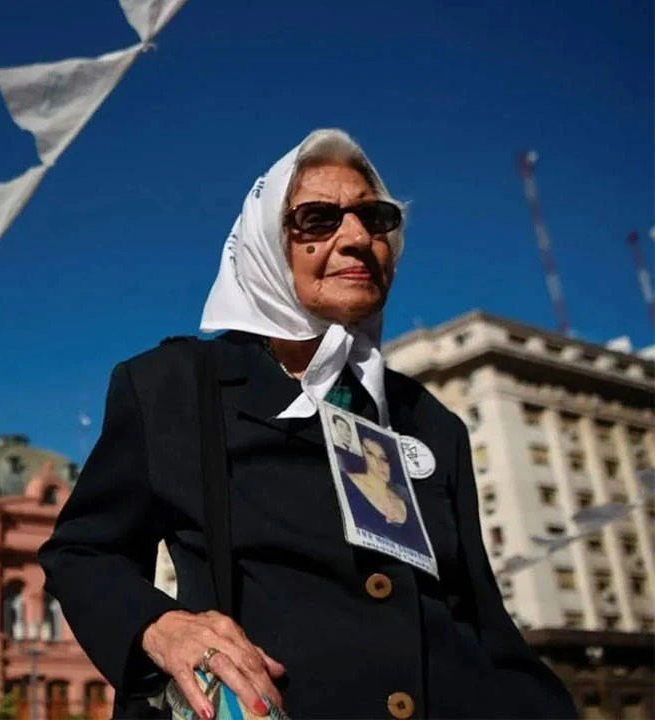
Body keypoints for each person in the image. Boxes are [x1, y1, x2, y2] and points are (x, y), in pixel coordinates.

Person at [39, 129, 576, 719]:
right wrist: (164, 627)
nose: (357, 239)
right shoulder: (174, 387)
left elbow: (485, 628)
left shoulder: (431, 422)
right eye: (318, 219)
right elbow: (83, 554)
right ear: (268, 244)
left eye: (375, 218)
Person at [345, 436, 408, 524]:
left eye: (384, 459)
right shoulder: (347, 482)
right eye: (370, 454)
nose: (379, 464)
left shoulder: (403, 495)